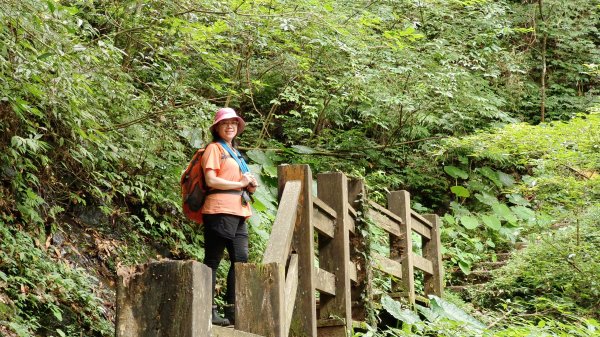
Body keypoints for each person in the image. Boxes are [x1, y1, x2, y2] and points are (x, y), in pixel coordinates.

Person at [201, 107, 258, 326]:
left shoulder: (235, 153)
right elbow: (211, 181)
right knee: (213, 260)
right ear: (217, 128)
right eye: (225, 123)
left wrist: (249, 186)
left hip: (239, 211)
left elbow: (240, 182)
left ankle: (233, 310)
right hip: (219, 210)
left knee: (240, 260)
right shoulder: (214, 149)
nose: (230, 126)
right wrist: (239, 183)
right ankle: (209, 311)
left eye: (234, 123)